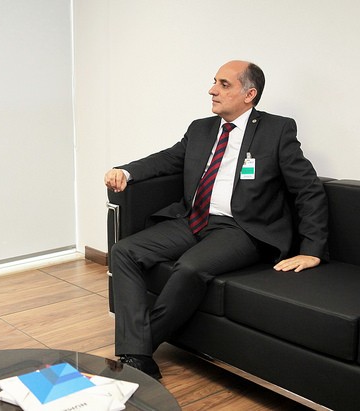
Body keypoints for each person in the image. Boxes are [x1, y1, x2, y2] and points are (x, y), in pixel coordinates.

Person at [104, 60, 328, 379]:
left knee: (189, 268)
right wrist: (126, 171)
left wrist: (312, 249)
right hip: (194, 219)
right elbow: (168, 159)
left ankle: (137, 350)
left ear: (249, 94)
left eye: (224, 84)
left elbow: (308, 188)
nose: (212, 90)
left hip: (243, 229)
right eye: (214, 82)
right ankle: (137, 355)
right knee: (124, 251)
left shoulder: (277, 130)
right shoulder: (202, 129)